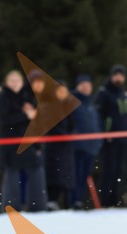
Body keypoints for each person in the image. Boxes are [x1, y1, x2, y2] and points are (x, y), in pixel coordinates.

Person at [0, 69, 47, 212]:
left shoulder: (27, 96)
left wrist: (38, 145)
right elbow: (4, 120)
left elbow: (35, 121)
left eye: (18, 80)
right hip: (10, 144)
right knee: (12, 176)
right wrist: (25, 115)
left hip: (29, 142)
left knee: (35, 172)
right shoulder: (3, 97)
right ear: (6, 82)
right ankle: (10, 207)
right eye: (12, 80)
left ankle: (38, 205)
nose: (15, 83)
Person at [94, 64, 127, 207]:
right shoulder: (103, 93)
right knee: (108, 170)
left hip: (122, 139)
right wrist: (104, 132)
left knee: (119, 170)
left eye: (121, 75)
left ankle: (115, 202)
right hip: (109, 139)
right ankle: (106, 202)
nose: (118, 77)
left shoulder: (122, 94)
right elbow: (98, 116)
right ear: (111, 76)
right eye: (116, 74)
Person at [42, 79, 76, 210]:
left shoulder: (68, 106)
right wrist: (64, 136)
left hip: (66, 147)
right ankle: (52, 201)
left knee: (66, 177)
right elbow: (50, 125)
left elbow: (73, 125)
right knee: (54, 175)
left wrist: (69, 135)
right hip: (53, 146)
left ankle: (68, 203)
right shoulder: (48, 105)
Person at [71, 74, 103, 209]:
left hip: (91, 147)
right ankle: (74, 201)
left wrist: (99, 140)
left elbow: (97, 124)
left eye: (88, 85)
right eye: (82, 85)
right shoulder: (72, 102)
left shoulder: (92, 104)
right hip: (77, 146)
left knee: (85, 175)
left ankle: (79, 201)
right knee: (75, 174)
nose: (85, 87)